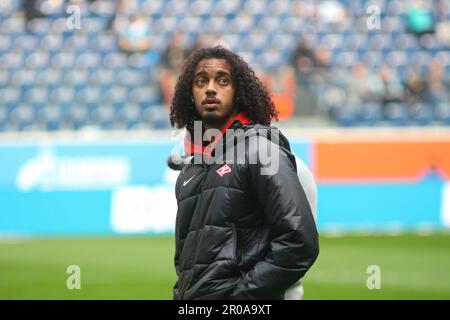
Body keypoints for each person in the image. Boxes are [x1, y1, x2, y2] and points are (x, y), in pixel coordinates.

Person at [169, 46, 319, 300]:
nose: (211, 88)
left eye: (223, 80)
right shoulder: (190, 170)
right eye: (201, 81)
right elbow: (186, 262)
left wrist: (242, 298)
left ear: (238, 91)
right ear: (189, 93)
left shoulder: (262, 151)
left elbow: (298, 242)